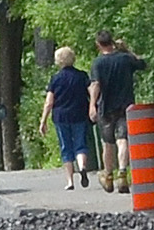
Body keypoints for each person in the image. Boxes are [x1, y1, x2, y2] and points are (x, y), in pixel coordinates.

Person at [90, 32, 144, 190]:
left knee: (107, 143)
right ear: (112, 42)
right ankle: (122, 174)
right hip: (125, 107)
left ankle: (108, 176)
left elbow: (96, 85)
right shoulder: (125, 59)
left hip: (106, 108)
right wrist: (127, 50)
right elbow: (142, 64)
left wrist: (92, 105)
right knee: (123, 140)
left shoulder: (98, 63)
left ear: (98, 44)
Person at [45, 44, 95, 191]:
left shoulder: (55, 79)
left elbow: (49, 102)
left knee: (66, 148)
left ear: (58, 61)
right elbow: (91, 91)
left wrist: (43, 121)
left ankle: (70, 181)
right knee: (80, 144)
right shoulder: (82, 76)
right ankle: (82, 167)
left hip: (61, 116)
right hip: (79, 114)